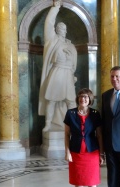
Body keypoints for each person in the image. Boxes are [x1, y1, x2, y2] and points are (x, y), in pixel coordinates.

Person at [38, 0, 77, 132]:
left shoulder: (70, 45)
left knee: (71, 101)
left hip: (67, 74)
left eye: (64, 29)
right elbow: (48, 23)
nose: (63, 30)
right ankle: (48, 124)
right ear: (56, 29)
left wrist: (73, 74)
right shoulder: (52, 40)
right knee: (52, 100)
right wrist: (55, 8)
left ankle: (73, 124)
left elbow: (74, 63)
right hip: (56, 72)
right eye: (60, 28)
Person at [64, 88, 104, 187]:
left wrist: (101, 153)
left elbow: (99, 135)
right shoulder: (70, 113)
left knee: (92, 182)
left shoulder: (95, 114)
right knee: (79, 183)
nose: (83, 99)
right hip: (76, 153)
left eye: (86, 96)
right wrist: (67, 152)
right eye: (81, 96)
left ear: (90, 99)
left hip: (92, 153)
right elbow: (67, 135)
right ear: (78, 98)